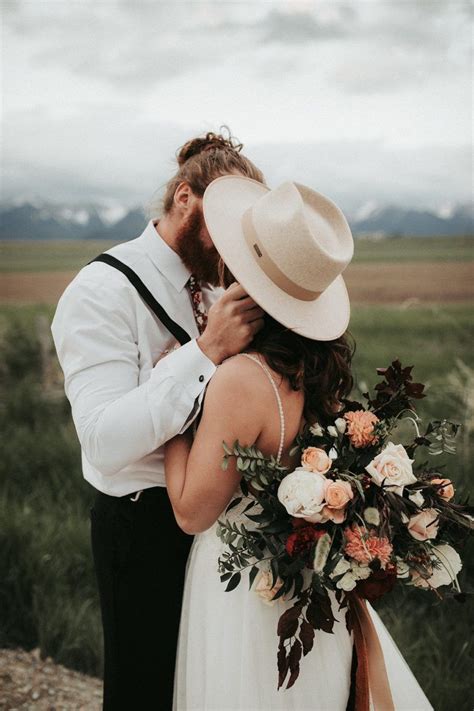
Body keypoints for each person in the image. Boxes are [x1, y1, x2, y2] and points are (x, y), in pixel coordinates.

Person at [164, 177, 434, 710]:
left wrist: (174, 416)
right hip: (304, 588)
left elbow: (192, 513)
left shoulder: (243, 378)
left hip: (244, 591)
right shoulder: (314, 369)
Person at [51, 131, 266, 710]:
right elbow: (101, 441)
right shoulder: (100, 291)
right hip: (139, 527)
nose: (231, 250)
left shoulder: (216, 285)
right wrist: (205, 352)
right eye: (224, 225)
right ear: (183, 197)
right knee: (144, 690)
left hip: (218, 521)